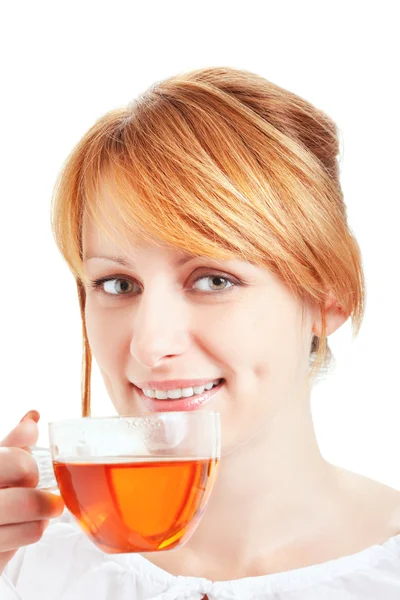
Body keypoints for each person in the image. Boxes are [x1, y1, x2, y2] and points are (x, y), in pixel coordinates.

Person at [1, 66, 399, 600]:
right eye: (118, 283)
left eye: (214, 280)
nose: (148, 344)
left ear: (328, 298)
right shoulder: (26, 566)